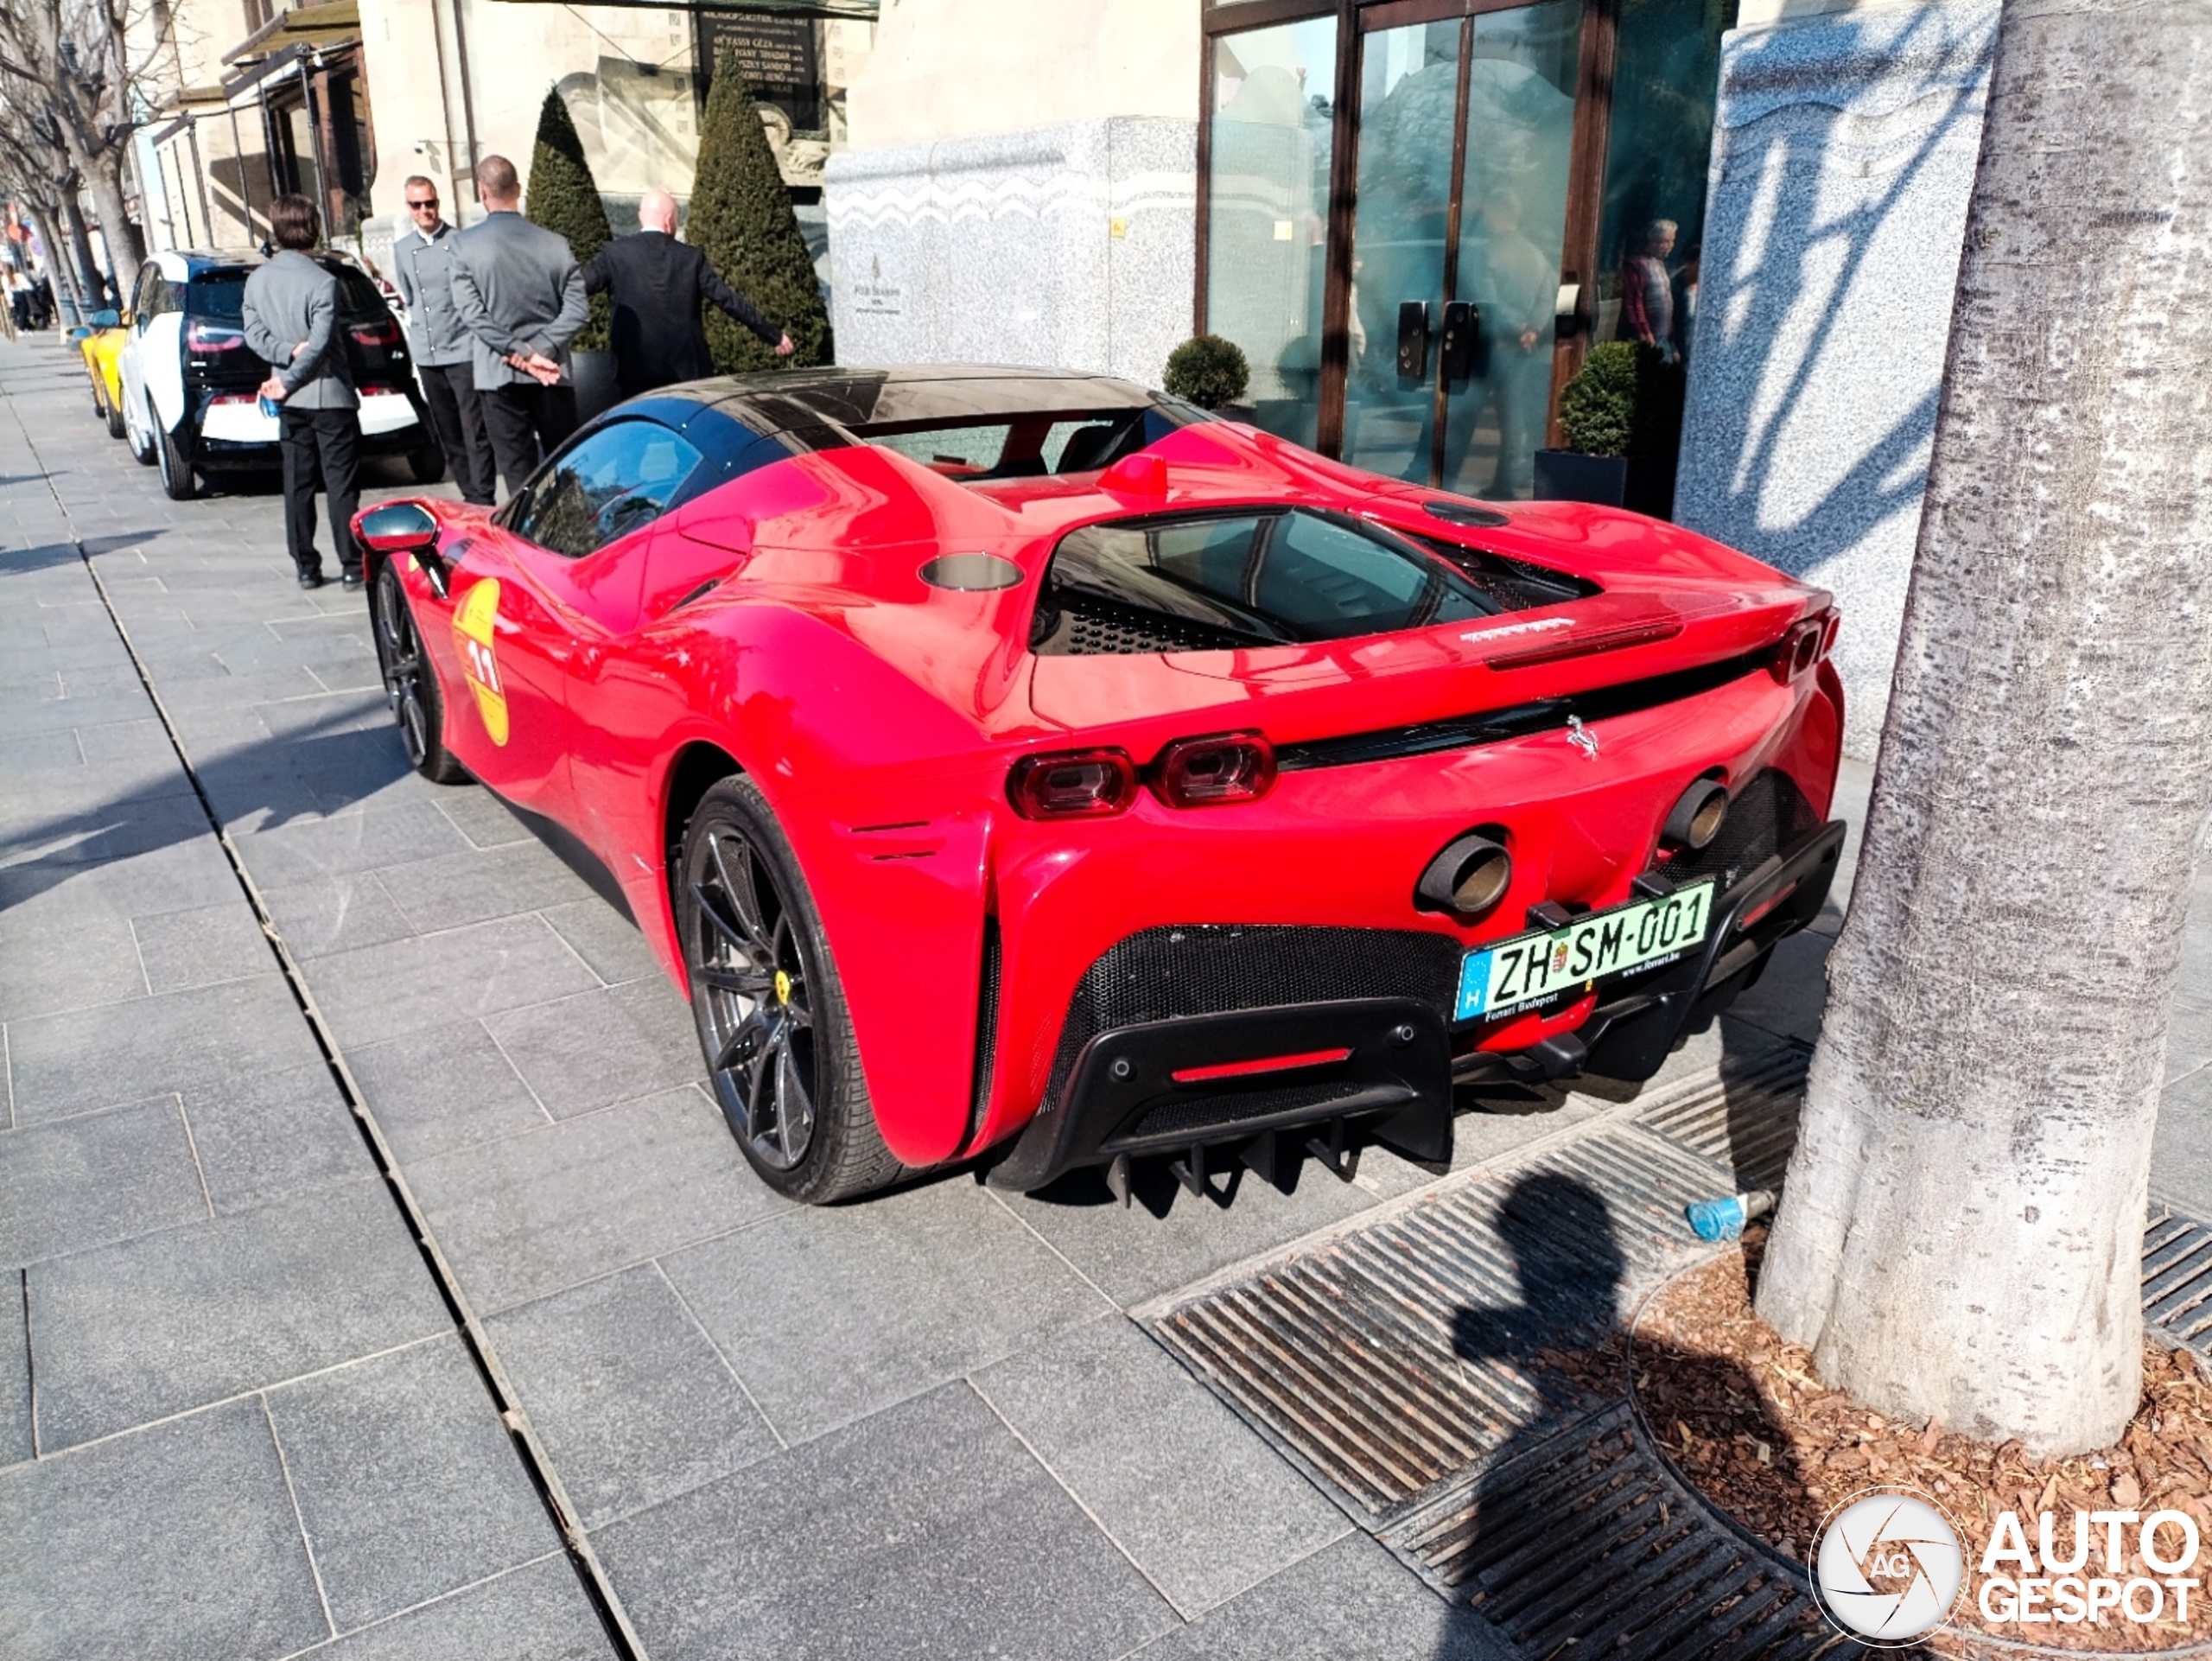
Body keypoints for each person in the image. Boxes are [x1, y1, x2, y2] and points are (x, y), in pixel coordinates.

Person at [448, 154, 589, 500]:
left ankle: (523, 531)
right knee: (564, 468)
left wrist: (521, 353)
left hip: (500, 372)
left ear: (482, 191)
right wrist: (539, 350)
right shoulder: (555, 243)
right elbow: (578, 310)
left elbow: (474, 315)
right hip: (552, 370)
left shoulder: (464, 246)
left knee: (517, 475)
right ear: (518, 189)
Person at [240, 193, 362, 590]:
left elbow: (254, 335)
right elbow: (321, 344)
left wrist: (284, 358)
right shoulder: (323, 281)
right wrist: (295, 363)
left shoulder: (257, 280)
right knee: (341, 485)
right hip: (327, 394)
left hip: (288, 398)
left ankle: (306, 565)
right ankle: (351, 564)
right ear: (314, 229)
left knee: (298, 484)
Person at [581, 188, 792, 398]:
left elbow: (578, 287)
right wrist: (773, 335)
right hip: (688, 376)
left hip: (634, 373)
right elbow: (728, 300)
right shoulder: (691, 258)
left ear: (641, 217)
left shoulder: (615, 254)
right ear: (668, 220)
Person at [391, 175, 494, 505]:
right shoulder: (402, 249)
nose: (425, 211)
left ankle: (483, 496)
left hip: (462, 349)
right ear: (409, 207)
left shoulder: (460, 241)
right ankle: (468, 492)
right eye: (417, 205)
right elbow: (410, 297)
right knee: (448, 431)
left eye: (430, 203)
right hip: (428, 351)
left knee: (474, 429)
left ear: (438, 203)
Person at [1618, 217, 1678, 362]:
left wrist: (1672, 344)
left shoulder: (1660, 263)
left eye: (1672, 241)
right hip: (1648, 337)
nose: (1671, 246)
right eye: (1667, 242)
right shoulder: (1638, 264)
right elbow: (1634, 301)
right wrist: (1644, 332)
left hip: (1663, 337)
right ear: (1655, 241)